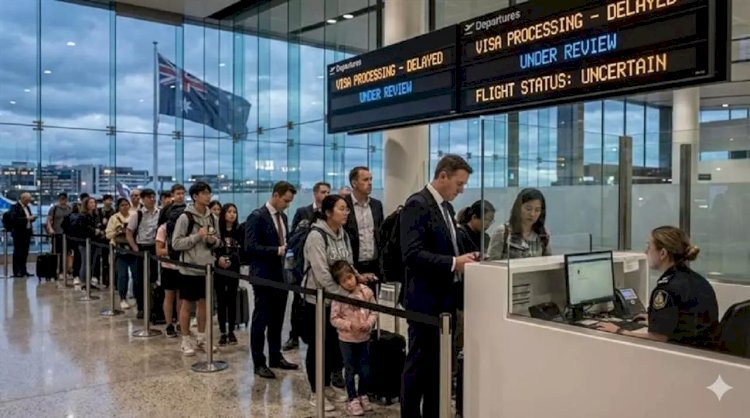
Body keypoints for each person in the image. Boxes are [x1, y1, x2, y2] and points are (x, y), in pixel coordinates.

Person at [400, 154, 477, 418]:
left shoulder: (447, 208)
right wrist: (454, 263)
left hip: (445, 300)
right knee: (418, 367)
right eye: (459, 183)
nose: (461, 190)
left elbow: (449, 247)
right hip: (424, 301)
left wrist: (468, 257)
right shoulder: (417, 204)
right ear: (443, 176)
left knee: (438, 369)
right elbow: (412, 254)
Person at [302, 194, 374, 412]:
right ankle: (316, 391)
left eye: (347, 209)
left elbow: (348, 265)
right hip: (319, 300)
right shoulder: (316, 236)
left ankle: (327, 385)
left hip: (339, 300)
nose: (346, 213)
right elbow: (322, 274)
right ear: (328, 212)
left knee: (333, 346)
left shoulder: (343, 234)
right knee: (318, 345)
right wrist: (344, 295)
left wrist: (358, 279)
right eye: (342, 209)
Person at [596, 226, 719, 348]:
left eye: (649, 247)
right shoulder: (696, 279)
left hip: (684, 354)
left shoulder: (666, 289)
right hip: (705, 351)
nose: (646, 252)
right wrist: (656, 320)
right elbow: (687, 320)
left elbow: (658, 338)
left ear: (663, 253)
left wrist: (619, 331)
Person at [245, 181, 299, 378]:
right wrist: (277, 250)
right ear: (276, 195)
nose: (287, 204)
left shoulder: (283, 217)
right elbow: (250, 247)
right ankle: (259, 362)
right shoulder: (256, 217)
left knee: (277, 320)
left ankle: (275, 356)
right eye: (285, 200)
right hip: (263, 276)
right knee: (261, 321)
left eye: (290, 201)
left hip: (281, 276)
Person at [172, 181, 221, 356]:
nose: (208, 196)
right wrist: (197, 236)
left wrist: (212, 241)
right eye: (204, 193)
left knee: (204, 304)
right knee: (187, 304)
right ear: (195, 196)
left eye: (209, 193)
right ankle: (185, 340)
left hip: (206, 268)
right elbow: (176, 243)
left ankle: (201, 338)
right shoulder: (185, 217)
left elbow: (218, 240)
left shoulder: (212, 218)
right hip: (189, 269)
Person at [284, 180, 331, 352]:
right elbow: (293, 237)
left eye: (328, 192)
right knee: (298, 303)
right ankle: (294, 335)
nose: (326, 195)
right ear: (315, 193)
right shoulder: (303, 211)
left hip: (322, 262)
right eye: (323, 192)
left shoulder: (330, 214)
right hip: (303, 264)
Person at [329, 260, 376, 416]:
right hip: (347, 340)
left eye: (349, 278)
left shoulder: (366, 292)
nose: (348, 283)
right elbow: (334, 318)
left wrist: (368, 323)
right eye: (343, 281)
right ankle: (352, 398)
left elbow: (374, 311)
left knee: (365, 368)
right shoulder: (338, 297)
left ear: (354, 275)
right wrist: (349, 325)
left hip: (364, 338)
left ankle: (363, 394)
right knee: (349, 369)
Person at [344, 167, 384, 294]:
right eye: (365, 180)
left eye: (371, 179)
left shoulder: (376, 205)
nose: (370, 183)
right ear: (354, 183)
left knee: (373, 300)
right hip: (353, 264)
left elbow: (380, 233)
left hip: (374, 263)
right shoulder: (344, 204)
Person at [487, 188, 550, 260]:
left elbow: (549, 261)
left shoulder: (543, 234)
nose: (532, 214)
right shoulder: (503, 231)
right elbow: (492, 262)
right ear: (518, 208)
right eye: (528, 209)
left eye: (537, 210)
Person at [126, 188, 160, 319]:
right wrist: (135, 248)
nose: (152, 199)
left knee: (154, 278)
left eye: (153, 197)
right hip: (142, 247)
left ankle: (154, 306)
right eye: (149, 197)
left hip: (155, 247)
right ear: (143, 199)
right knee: (140, 279)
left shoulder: (159, 212)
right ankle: (141, 307)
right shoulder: (137, 215)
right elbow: (129, 232)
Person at [213, 203, 242, 346]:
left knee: (232, 299)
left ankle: (231, 330)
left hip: (234, 269)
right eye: (229, 211)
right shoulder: (218, 231)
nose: (232, 214)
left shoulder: (239, 230)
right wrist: (219, 259)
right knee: (221, 300)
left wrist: (234, 259)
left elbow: (242, 250)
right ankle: (222, 331)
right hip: (219, 269)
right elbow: (212, 249)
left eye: (234, 212)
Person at [155, 208, 181, 338]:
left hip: (182, 267)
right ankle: (169, 324)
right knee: (169, 296)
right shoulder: (163, 229)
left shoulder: (184, 228)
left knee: (182, 298)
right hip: (168, 267)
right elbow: (158, 251)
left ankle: (181, 322)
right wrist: (172, 250)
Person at [106, 198, 132, 309]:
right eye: (122, 205)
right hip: (119, 249)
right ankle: (122, 297)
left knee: (136, 275)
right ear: (118, 207)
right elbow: (108, 234)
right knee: (122, 275)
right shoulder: (114, 218)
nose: (125, 207)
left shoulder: (134, 216)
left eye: (127, 204)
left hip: (133, 248)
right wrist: (118, 232)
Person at [9, 192, 35, 278]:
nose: (28, 202)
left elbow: (28, 218)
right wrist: (27, 218)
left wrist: (32, 218)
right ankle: (17, 271)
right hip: (19, 233)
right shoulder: (14, 207)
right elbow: (14, 219)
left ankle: (23, 270)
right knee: (18, 253)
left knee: (25, 253)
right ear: (23, 199)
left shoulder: (27, 207)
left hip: (26, 233)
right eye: (27, 200)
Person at [46, 193, 72, 278]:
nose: (63, 200)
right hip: (57, 233)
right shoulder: (54, 208)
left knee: (67, 252)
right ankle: (57, 270)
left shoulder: (69, 209)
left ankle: (66, 270)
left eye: (64, 198)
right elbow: (49, 220)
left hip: (67, 234)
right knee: (57, 252)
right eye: (61, 198)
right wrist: (50, 229)